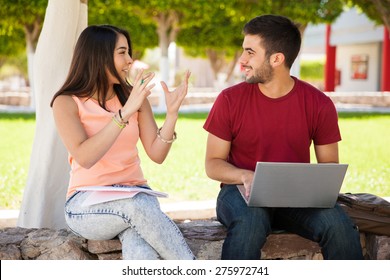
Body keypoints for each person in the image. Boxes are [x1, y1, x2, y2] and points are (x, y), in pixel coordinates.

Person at [203, 15, 364, 260]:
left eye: (250, 52)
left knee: (339, 225)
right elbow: (213, 163)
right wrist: (246, 176)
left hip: (297, 199)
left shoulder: (318, 104)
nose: (242, 60)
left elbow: (329, 165)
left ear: (277, 59)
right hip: (240, 194)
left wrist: (309, 188)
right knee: (250, 223)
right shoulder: (229, 100)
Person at [50, 24, 195, 260]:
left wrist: (172, 115)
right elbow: (85, 158)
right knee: (137, 206)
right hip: (86, 204)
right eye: (122, 52)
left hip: (135, 196)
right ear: (99, 55)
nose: (130, 60)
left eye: (129, 52)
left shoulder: (133, 98)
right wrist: (124, 114)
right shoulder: (66, 102)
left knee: (141, 248)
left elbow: (157, 154)